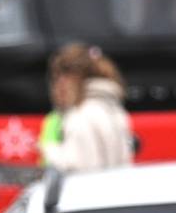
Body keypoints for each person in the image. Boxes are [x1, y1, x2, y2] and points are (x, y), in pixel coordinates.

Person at [39, 43, 134, 173]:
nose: (58, 87)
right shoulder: (113, 110)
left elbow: (79, 171)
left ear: (73, 78)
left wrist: (49, 150)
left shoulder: (80, 116)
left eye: (59, 79)